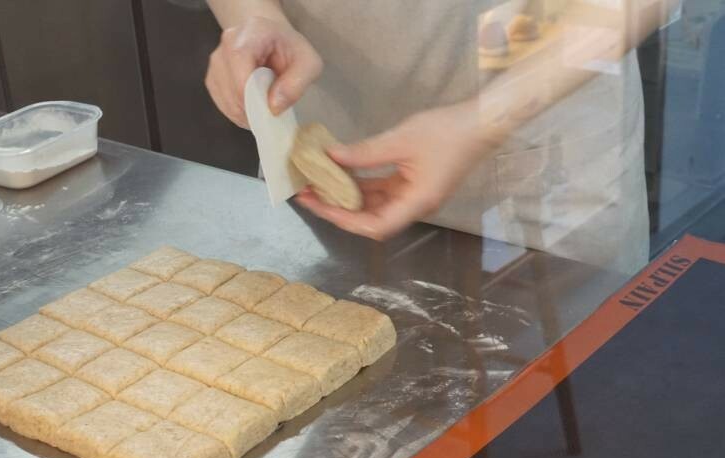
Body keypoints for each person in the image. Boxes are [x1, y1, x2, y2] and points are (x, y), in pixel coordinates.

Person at [204, 0, 681, 275]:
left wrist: (486, 119)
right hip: (321, 142)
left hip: (534, 137)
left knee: (542, 424)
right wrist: (253, 18)